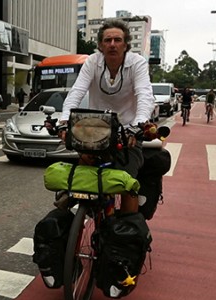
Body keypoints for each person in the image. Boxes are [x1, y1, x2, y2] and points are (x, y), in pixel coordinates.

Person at [59, 19, 153, 213]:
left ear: (125, 44)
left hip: (128, 131)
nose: (112, 44)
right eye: (107, 40)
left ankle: (127, 231)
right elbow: (76, 92)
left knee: (127, 183)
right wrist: (64, 121)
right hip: (95, 129)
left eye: (117, 40)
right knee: (81, 177)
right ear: (100, 45)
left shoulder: (137, 63)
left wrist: (139, 125)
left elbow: (144, 95)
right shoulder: (92, 62)